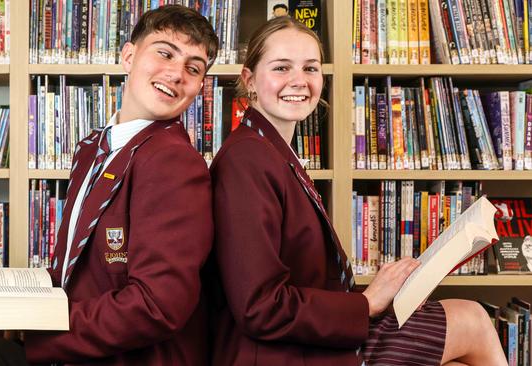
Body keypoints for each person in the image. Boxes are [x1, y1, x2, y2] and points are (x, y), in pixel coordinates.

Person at [0, 5, 218, 365]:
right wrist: (11, 307)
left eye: (193, 68)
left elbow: (157, 305)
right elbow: (76, 268)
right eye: (165, 52)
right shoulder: (92, 149)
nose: (176, 73)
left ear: (200, 87)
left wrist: (38, 330)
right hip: (78, 341)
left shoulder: (174, 162)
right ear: (128, 55)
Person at [208, 16, 507, 366]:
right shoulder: (247, 161)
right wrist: (367, 303)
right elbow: (259, 307)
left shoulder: (270, 149)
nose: (299, 81)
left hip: (306, 336)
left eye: (311, 68)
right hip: (282, 352)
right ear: (250, 80)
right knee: (472, 321)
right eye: (281, 67)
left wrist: (389, 292)